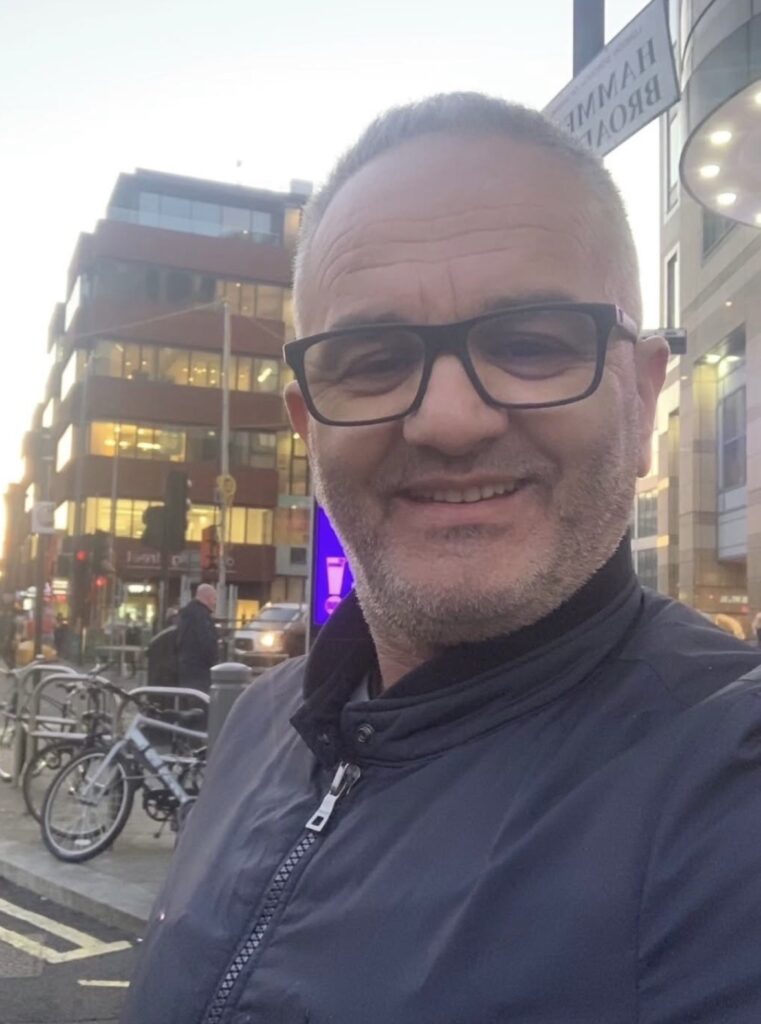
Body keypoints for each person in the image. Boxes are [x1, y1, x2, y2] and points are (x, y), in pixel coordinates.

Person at [122, 94, 761, 1024]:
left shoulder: (728, 782)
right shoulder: (263, 721)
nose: (449, 421)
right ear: (308, 427)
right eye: (372, 361)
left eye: (530, 344)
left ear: (643, 395)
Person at [175, 584, 218, 692]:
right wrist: (213, 659)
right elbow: (206, 641)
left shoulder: (186, 614)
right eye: (214, 599)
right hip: (200, 668)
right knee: (200, 697)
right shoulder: (202, 616)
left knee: (188, 695)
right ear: (208, 597)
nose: (215, 603)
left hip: (186, 665)